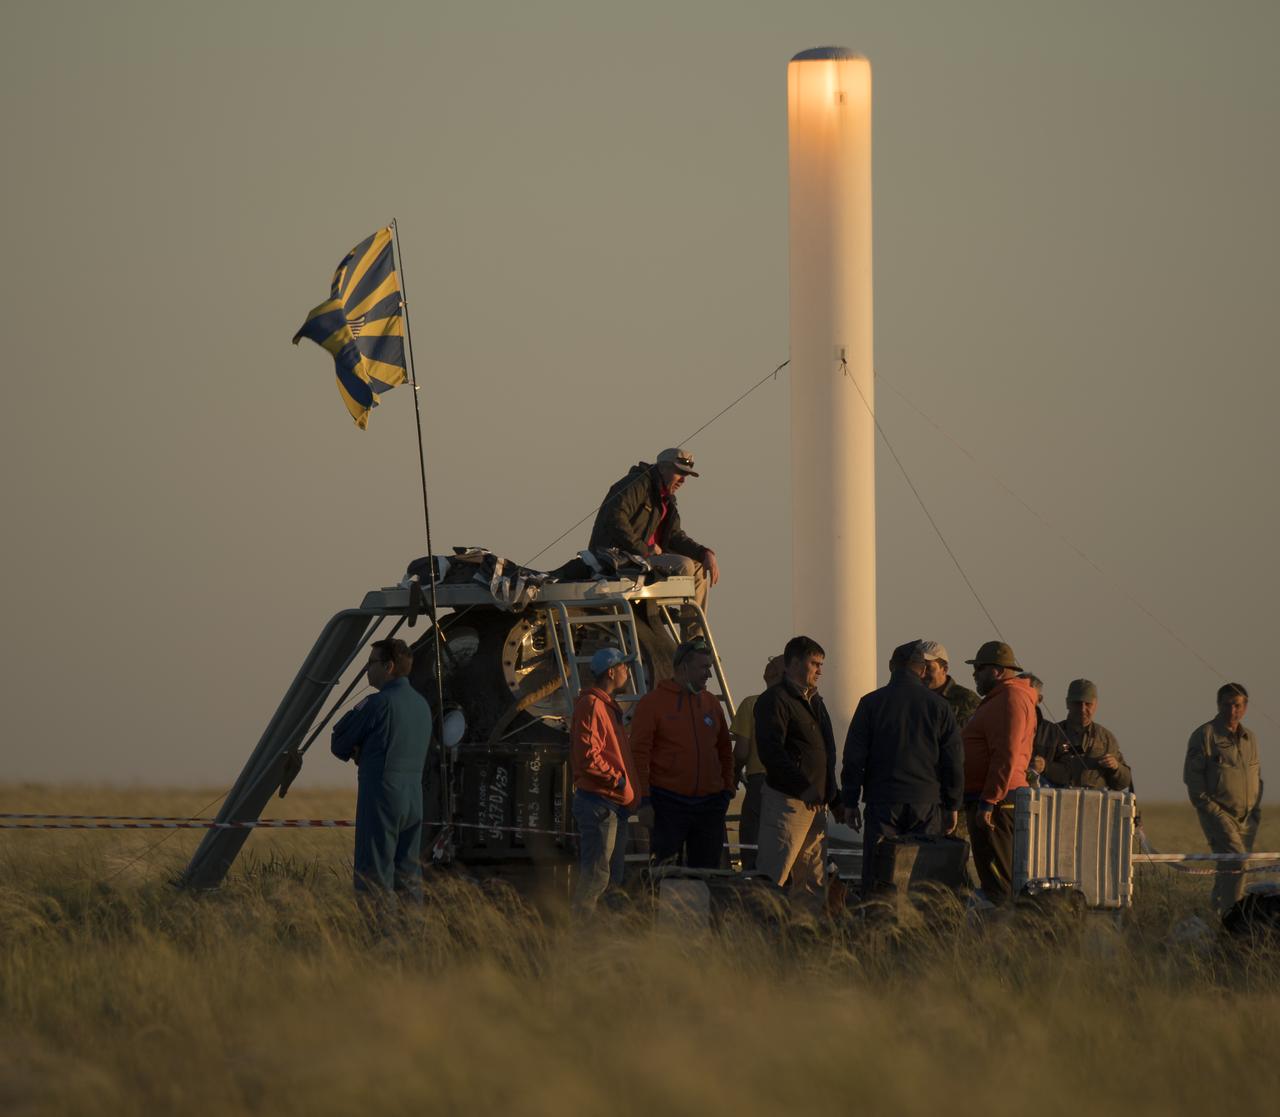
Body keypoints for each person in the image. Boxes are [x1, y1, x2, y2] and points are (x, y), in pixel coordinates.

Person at [841, 642, 964, 893]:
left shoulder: (870, 704)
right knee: (923, 874)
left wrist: (850, 801)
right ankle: (920, 927)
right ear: (921, 671)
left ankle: (878, 921)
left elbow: (853, 757)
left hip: (883, 801)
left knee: (879, 872)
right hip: (926, 804)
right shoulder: (940, 707)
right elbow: (953, 761)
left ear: (890, 667)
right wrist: (952, 804)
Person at [331, 638, 433, 905]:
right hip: (413, 799)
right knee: (409, 874)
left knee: (373, 873)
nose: (367, 669)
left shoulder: (378, 703)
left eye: (371, 663)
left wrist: (359, 750)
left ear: (388, 666)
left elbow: (339, 741)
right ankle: (412, 937)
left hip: (381, 796)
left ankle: (379, 939)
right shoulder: (422, 705)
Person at [588, 448, 719, 634]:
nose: (683, 480)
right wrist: (644, 549)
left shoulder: (667, 499)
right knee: (685, 565)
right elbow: (615, 519)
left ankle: (694, 642)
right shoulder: (637, 484)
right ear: (662, 468)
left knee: (699, 568)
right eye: (679, 473)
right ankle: (654, 611)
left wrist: (704, 553)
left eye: (686, 475)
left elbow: (675, 536)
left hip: (645, 558)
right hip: (620, 558)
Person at [754, 635, 839, 917]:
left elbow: (826, 754)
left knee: (813, 880)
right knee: (773, 875)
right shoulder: (774, 700)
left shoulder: (815, 702)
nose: (819, 670)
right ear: (792, 663)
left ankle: (806, 938)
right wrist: (803, 787)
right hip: (787, 803)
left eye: (821, 664)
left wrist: (832, 797)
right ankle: (760, 938)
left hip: (816, 804)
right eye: (814, 663)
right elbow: (772, 752)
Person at [631, 638, 734, 868]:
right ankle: (659, 904)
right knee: (665, 871)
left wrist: (726, 790)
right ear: (684, 667)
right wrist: (645, 802)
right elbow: (639, 754)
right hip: (668, 803)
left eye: (710, 667)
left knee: (707, 873)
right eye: (704, 667)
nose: (709, 674)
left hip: (709, 806)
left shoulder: (711, 704)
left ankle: (698, 905)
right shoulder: (653, 704)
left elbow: (725, 750)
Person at [961, 640, 1037, 903]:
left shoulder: (1010, 699)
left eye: (978, 669)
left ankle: (1008, 934)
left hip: (999, 803)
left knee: (999, 879)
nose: (974, 675)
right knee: (993, 878)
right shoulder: (1001, 698)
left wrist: (989, 801)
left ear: (995, 671)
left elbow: (1006, 754)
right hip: (991, 799)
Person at [568, 647, 640, 914]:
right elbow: (588, 757)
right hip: (601, 803)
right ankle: (581, 937)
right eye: (624, 667)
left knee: (610, 879)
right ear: (611, 671)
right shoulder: (591, 705)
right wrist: (618, 781)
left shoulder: (605, 707)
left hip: (612, 805)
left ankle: (604, 939)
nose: (628, 672)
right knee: (597, 876)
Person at [1184, 683, 1263, 914]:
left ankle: (1217, 915)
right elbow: (1193, 780)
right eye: (1227, 704)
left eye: (1237, 705)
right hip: (1218, 813)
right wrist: (1212, 811)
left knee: (1231, 868)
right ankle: (1234, 917)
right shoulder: (1205, 735)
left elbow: (1256, 776)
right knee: (1237, 862)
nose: (1232, 710)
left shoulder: (1250, 738)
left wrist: (1254, 810)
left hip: (1246, 817)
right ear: (1219, 705)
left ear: (1245, 707)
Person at [730, 655, 784, 870]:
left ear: (766, 675)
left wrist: (733, 774)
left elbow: (741, 752)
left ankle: (754, 888)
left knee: (752, 841)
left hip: (760, 782)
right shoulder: (802, 706)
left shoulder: (752, 703)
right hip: (794, 786)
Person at [1036, 679, 1133, 792]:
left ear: (1095, 704)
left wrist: (1116, 767)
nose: (1082, 709)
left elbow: (1123, 783)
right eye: (1077, 703)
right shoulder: (1051, 734)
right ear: (1067, 703)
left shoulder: (1106, 738)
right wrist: (1042, 766)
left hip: (1095, 804)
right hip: (1056, 802)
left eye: (1088, 704)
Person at [918, 640, 981, 727]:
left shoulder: (967, 700)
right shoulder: (910, 698)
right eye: (919, 668)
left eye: (929, 668)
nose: (922, 674)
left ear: (944, 669)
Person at [1021, 673, 1070, 785]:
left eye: (1027, 696)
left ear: (1039, 699)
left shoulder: (1055, 733)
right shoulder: (998, 726)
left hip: (1041, 798)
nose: (1022, 700)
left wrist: (1045, 766)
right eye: (1018, 695)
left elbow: (1068, 771)